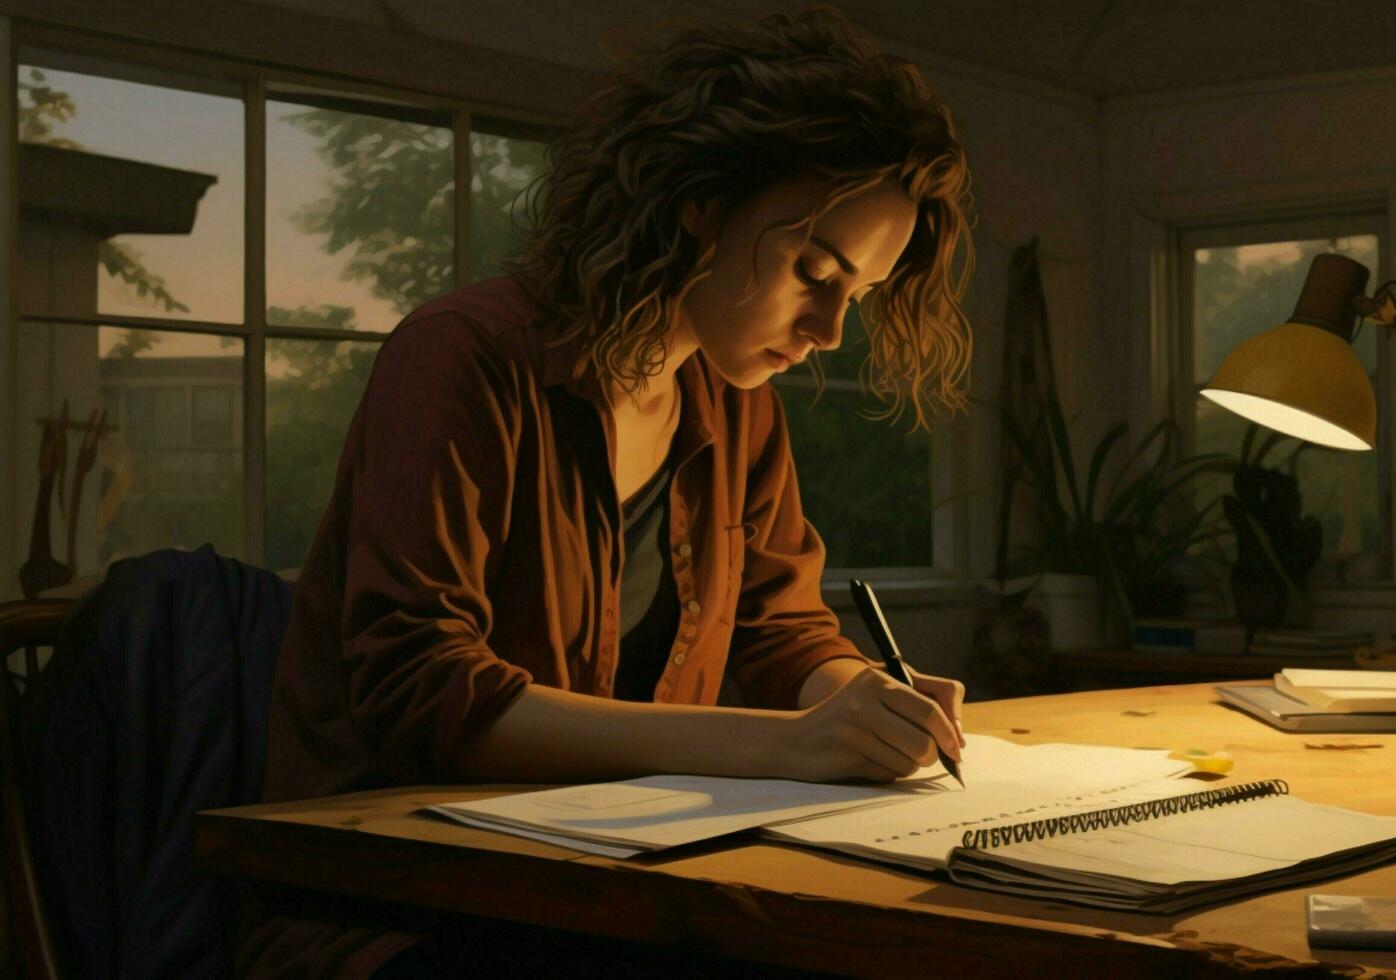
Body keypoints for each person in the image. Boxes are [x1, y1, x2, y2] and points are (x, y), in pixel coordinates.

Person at [238, 7, 976, 978]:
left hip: (609, 882)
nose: (831, 329)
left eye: (862, 293)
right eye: (813, 269)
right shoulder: (466, 359)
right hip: (399, 902)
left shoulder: (736, 403)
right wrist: (789, 747)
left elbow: (778, 630)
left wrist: (863, 704)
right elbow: (423, 690)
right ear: (699, 206)